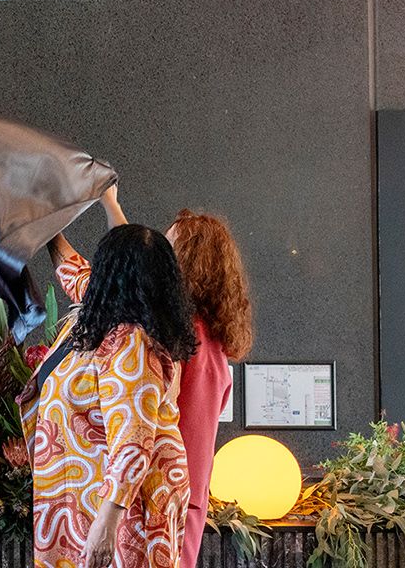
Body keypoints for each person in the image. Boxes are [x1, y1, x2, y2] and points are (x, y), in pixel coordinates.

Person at [26, 186, 197, 568]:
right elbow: (73, 271)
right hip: (93, 492)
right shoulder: (110, 309)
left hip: (124, 507)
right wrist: (51, 224)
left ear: (111, 275)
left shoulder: (132, 342)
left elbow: (133, 441)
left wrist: (106, 524)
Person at [164, 209, 252, 568]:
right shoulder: (204, 338)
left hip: (170, 503)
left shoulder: (190, 339)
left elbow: (187, 439)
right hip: (179, 501)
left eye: (167, 249)